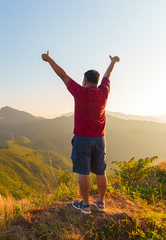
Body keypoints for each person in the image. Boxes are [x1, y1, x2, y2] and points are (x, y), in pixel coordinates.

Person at [41, 51, 120, 214]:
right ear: (97, 82)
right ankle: (101, 202)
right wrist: (113, 62)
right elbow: (108, 75)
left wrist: (49, 60)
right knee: (100, 171)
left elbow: (62, 75)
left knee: (83, 171)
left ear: (84, 81)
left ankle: (85, 204)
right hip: (100, 139)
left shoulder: (80, 92)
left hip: (82, 139)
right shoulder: (103, 92)